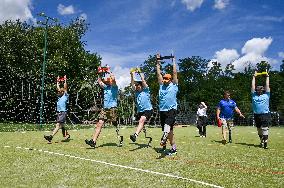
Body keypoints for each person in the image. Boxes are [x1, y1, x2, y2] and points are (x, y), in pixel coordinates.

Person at [85, 71, 120, 148]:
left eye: (109, 80)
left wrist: (108, 71)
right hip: (105, 109)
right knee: (99, 124)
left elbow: (113, 78)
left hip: (112, 109)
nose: (107, 81)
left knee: (114, 123)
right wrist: (100, 73)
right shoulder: (105, 87)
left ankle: (120, 137)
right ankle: (93, 141)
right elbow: (99, 81)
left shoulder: (115, 87)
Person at [156, 53, 178, 156]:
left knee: (167, 126)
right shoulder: (161, 86)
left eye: (166, 79)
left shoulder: (174, 85)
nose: (164, 80)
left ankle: (164, 137)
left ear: (170, 80)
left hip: (171, 109)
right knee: (170, 131)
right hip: (162, 110)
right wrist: (158, 61)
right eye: (164, 78)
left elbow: (174, 72)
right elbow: (158, 73)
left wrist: (173, 60)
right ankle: (172, 148)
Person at [44, 75, 70, 142]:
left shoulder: (65, 96)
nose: (58, 92)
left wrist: (65, 80)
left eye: (59, 91)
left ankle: (50, 136)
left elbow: (65, 88)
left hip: (63, 112)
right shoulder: (59, 97)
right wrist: (57, 81)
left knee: (58, 125)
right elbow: (58, 87)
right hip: (59, 113)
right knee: (62, 125)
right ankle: (67, 135)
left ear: (62, 92)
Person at [129, 71, 153, 142]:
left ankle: (135, 135)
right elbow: (132, 83)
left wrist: (140, 73)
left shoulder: (146, 90)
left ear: (141, 85)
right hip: (140, 111)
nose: (137, 86)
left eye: (138, 85)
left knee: (141, 120)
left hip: (148, 110)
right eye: (136, 86)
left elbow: (143, 81)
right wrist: (132, 75)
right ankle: (141, 132)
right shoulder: (136, 92)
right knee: (141, 122)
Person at [251, 71, 271, 149]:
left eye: (260, 89)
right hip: (256, 114)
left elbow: (267, 85)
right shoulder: (254, 95)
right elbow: (252, 85)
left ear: (263, 90)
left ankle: (265, 142)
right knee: (259, 129)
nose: (259, 90)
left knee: (265, 128)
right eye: (257, 89)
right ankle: (262, 141)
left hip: (265, 114)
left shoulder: (267, 95)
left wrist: (267, 76)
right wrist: (254, 76)